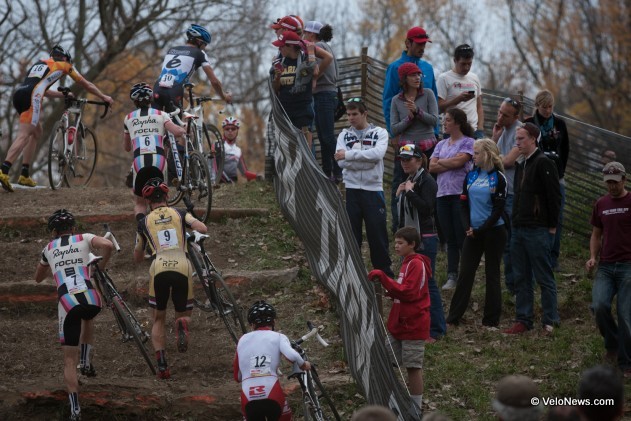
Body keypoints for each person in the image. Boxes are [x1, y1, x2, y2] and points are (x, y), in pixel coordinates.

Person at [34, 209, 114, 421]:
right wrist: (100, 267)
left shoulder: (48, 248)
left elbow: (38, 278)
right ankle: (87, 361)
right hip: (91, 297)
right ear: (73, 227)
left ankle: (75, 410)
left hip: (67, 303)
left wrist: (53, 264)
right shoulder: (84, 237)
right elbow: (108, 245)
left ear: (53, 232)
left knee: (69, 361)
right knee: (87, 315)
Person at [0, 45, 114, 192]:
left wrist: (63, 95)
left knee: (36, 132)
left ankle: (24, 174)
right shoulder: (65, 65)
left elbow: (42, 89)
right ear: (66, 58)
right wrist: (103, 96)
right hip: (32, 96)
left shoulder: (40, 63)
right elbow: (86, 83)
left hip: (19, 94)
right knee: (24, 134)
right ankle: (4, 171)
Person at [133, 178, 208, 379]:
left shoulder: (143, 222)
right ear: (167, 197)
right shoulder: (180, 213)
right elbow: (202, 228)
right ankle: (181, 323)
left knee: (158, 317)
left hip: (158, 267)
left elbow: (137, 257)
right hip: (182, 264)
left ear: (148, 202)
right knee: (183, 314)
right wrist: (189, 233)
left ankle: (162, 365)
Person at [504, 123, 561, 335]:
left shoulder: (544, 162)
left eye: (521, 139)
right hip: (519, 228)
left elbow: (554, 197)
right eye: (516, 139)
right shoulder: (522, 164)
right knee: (521, 276)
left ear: (533, 139)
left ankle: (550, 319)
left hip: (537, 229)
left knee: (544, 276)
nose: (517, 142)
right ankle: (523, 319)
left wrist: (552, 227)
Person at [446, 139, 507, 327]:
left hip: (494, 231)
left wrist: (481, 229)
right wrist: (468, 227)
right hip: (472, 232)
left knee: (492, 274)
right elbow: (463, 203)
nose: (474, 156)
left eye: (477, 152)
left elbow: (498, 210)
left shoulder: (498, 177)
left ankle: (490, 320)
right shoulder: (471, 175)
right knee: (465, 274)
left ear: (487, 154)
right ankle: (453, 318)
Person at [368, 226, 431, 411]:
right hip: (398, 324)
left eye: (400, 243)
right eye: (395, 242)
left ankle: (415, 407)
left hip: (413, 324)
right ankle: (389, 399)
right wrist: (389, 291)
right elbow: (402, 290)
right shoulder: (406, 262)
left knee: (412, 366)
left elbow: (410, 292)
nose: (396, 246)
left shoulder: (417, 263)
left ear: (412, 245)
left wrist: (384, 278)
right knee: (385, 359)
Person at [382, 26, 438, 231]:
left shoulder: (428, 68)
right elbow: (388, 101)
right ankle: (399, 226)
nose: (422, 47)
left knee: (430, 180)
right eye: (418, 44)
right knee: (401, 179)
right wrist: (392, 131)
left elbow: (434, 103)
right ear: (408, 43)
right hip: (405, 137)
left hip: (428, 137)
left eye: (424, 44)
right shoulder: (395, 68)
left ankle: (431, 227)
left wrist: (437, 130)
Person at [335, 98, 393, 278]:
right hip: (351, 190)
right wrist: (362, 160)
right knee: (352, 235)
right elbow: (341, 162)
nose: (351, 118)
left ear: (364, 114)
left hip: (373, 190)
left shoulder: (380, 133)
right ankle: (352, 274)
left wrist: (350, 155)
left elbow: (377, 155)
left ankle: (384, 275)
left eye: (355, 114)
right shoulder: (343, 135)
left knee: (377, 235)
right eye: (348, 114)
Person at [585, 162, 631, 376]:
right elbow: (596, 234)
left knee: (625, 314)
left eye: (615, 182)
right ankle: (612, 344)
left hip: (628, 267)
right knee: (599, 305)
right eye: (608, 182)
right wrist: (593, 257)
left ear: (624, 179)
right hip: (606, 266)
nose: (611, 186)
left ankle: (625, 361)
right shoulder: (601, 203)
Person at [396, 144, 445, 341]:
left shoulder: (427, 181)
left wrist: (409, 193)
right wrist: (400, 194)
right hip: (411, 239)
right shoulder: (409, 181)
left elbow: (426, 209)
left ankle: (437, 329)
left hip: (425, 239)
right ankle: (420, 327)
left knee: (428, 284)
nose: (404, 163)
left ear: (419, 159)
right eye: (402, 159)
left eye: (408, 159)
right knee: (415, 285)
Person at [234, 300, 311, 421]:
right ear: (273, 322)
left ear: (252, 325)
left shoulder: (242, 340)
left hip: (248, 396)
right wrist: (303, 364)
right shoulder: (278, 336)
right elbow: (292, 356)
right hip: (272, 392)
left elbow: (237, 377)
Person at [123, 83, 186, 220]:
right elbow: (176, 132)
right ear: (151, 98)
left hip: (139, 161)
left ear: (134, 101)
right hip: (159, 161)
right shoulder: (161, 114)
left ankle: (142, 229)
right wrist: (184, 129)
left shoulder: (128, 118)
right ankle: (164, 224)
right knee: (161, 199)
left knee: (140, 203)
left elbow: (127, 147)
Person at [390, 62, 439, 233]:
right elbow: (394, 128)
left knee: (430, 185)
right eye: (413, 75)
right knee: (402, 185)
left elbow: (434, 120)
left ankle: (434, 229)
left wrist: (417, 111)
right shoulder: (396, 100)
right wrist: (409, 118)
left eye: (419, 75)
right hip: (406, 150)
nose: (417, 77)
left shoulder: (428, 94)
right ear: (404, 79)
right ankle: (400, 227)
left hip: (428, 146)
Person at [429, 108, 474, 290]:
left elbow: (459, 162)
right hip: (442, 195)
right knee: (449, 238)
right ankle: (452, 275)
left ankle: (466, 274)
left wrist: (443, 163)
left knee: (461, 235)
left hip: (460, 195)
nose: (444, 123)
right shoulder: (440, 144)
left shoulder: (469, 142)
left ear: (457, 123)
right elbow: (431, 167)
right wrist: (450, 163)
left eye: (447, 120)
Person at [524, 90, 569, 272]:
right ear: (537, 106)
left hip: (557, 175)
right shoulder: (528, 124)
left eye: (550, 107)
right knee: (536, 214)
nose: (548, 110)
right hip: (536, 174)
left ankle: (553, 256)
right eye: (544, 107)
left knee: (556, 214)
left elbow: (565, 149)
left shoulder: (560, 124)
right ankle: (536, 254)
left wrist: (560, 171)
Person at [271, 31, 332, 147]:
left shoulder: (305, 58)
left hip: (302, 110)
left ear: (290, 46)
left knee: (304, 147)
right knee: (288, 147)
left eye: (281, 46)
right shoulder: (280, 62)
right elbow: (275, 89)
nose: (279, 49)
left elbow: (315, 71)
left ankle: (307, 163)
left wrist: (311, 52)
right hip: (285, 110)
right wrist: (278, 77)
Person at [152, 24, 231, 113]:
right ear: (198, 41)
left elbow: (171, 75)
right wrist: (223, 96)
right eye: (205, 44)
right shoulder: (200, 53)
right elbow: (214, 82)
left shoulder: (171, 50)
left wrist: (184, 94)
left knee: (155, 123)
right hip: (174, 90)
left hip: (157, 88)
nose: (205, 47)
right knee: (175, 126)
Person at [303, 21, 342, 183]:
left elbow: (320, 66)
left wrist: (315, 77)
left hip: (325, 93)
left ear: (312, 34)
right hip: (325, 94)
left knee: (327, 135)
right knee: (323, 135)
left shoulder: (318, 46)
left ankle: (339, 170)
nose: (303, 36)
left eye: (305, 33)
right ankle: (328, 172)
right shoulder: (324, 45)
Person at [491, 97, 522, 296]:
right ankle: (511, 285)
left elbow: (509, 161)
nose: (500, 116)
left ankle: (517, 286)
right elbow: (493, 156)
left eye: (505, 114)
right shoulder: (502, 131)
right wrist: (494, 139)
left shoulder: (521, 132)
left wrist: (494, 157)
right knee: (503, 243)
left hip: (513, 193)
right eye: (499, 111)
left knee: (512, 243)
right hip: (501, 193)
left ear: (516, 117)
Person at [437, 44, 485, 139]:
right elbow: (439, 107)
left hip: (473, 131)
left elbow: (479, 106)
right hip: (452, 132)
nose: (466, 67)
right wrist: (458, 99)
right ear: (455, 60)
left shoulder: (474, 77)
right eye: (463, 64)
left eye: (469, 64)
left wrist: (480, 128)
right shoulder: (444, 78)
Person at [220, 116, 258, 183]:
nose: (230, 131)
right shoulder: (218, 145)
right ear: (224, 130)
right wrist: (228, 181)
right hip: (219, 184)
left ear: (237, 131)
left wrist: (256, 176)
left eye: (233, 129)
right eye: (227, 129)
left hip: (233, 185)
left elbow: (244, 172)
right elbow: (214, 169)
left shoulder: (238, 150)